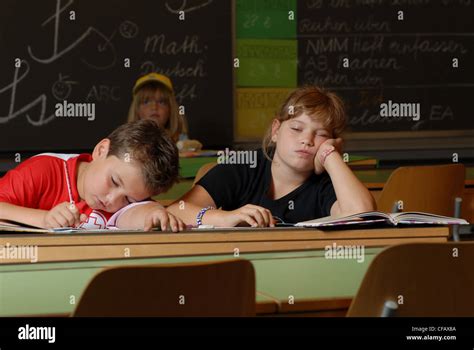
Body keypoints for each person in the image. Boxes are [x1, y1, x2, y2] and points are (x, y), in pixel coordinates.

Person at [114, 86, 376, 229]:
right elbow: (176, 210)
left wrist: (331, 156)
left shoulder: (326, 185)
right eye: (296, 128)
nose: (306, 140)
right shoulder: (243, 167)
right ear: (275, 130)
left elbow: (362, 215)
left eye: (320, 135)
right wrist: (226, 217)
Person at [0, 120, 185, 231]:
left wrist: (154, 213)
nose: (111, 200)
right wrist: (43, 219)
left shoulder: (125, 199)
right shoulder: (43, 170)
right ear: (101, 150)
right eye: (113, 181)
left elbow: (139, 214)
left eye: (128, 199)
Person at [127, 73, 187, 143]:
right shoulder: (127, 143)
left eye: (161, 102)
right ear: (136, 110)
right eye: (146, 102)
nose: (154, 107)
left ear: (171, 109)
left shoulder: (182, 141)